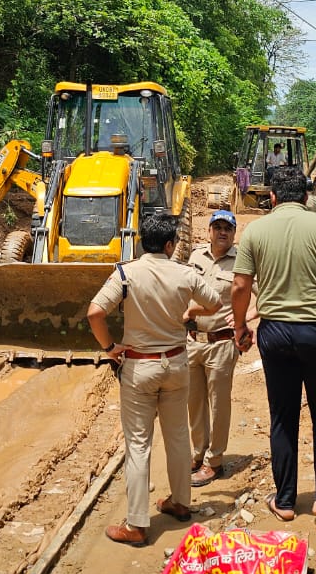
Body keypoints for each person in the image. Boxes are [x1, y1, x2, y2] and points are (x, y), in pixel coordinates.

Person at [231, 166, 316, 529]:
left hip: (274, 333)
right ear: (307, 197)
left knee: (283, 415)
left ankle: (286, 501)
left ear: (272, 197)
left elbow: (240, 286)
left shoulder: (255, 230)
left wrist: (240, 326)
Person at [87, 213, 221, 546]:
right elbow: (216, 302)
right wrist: (191, 314)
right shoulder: (185, 273)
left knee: (137, 445)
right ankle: (180, 502)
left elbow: (95, 313)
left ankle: (136, 524)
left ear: (141, 242)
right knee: (177, 438)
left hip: (139, 368)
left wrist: (109, 347)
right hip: (176, 363)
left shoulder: (125, 274)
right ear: (170, 245)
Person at [186, 209, 255, 488]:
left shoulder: (242, 262)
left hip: (222, 343)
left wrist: (246, 318)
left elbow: (262, 296)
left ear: (234, 233)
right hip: (192, 341)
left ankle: (214, 462)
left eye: (228, 228)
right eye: (218, 227)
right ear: (209, 231)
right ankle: (197, 453)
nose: (222, 232)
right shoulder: (195, 256)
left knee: (218, 404)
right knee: (194, 403)